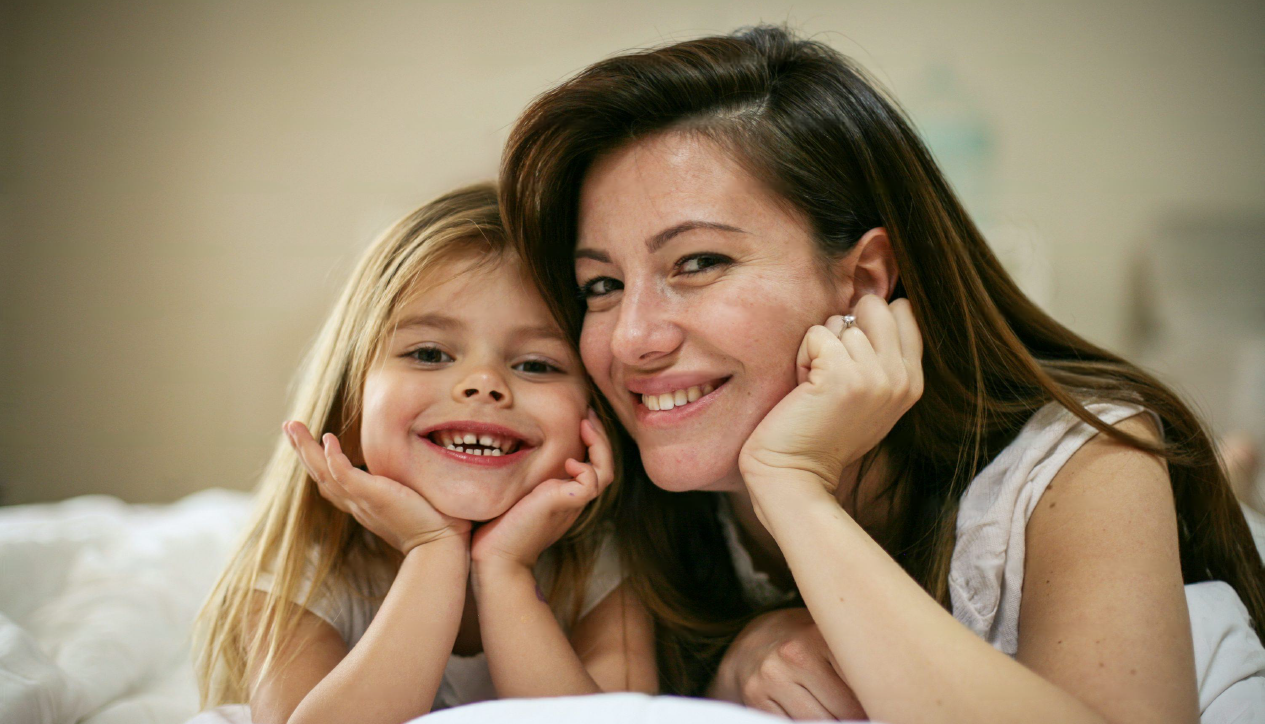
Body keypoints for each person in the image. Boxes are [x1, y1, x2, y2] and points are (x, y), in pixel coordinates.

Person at [499, 26, 1265, 723]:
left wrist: (792, 485)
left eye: (698, 263)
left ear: (865, 279)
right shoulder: (607, 486)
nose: (630, 339)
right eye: (600, 285)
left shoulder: (1082, 458)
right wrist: (734, 662)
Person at [192, 184, 656, 724]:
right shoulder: (302, 572)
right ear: (351, 398)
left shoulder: (600, 562)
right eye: (430, 353)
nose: (483, 384)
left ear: (592, 416)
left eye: (536, 364)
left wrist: (504, 570)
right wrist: (433, 551)